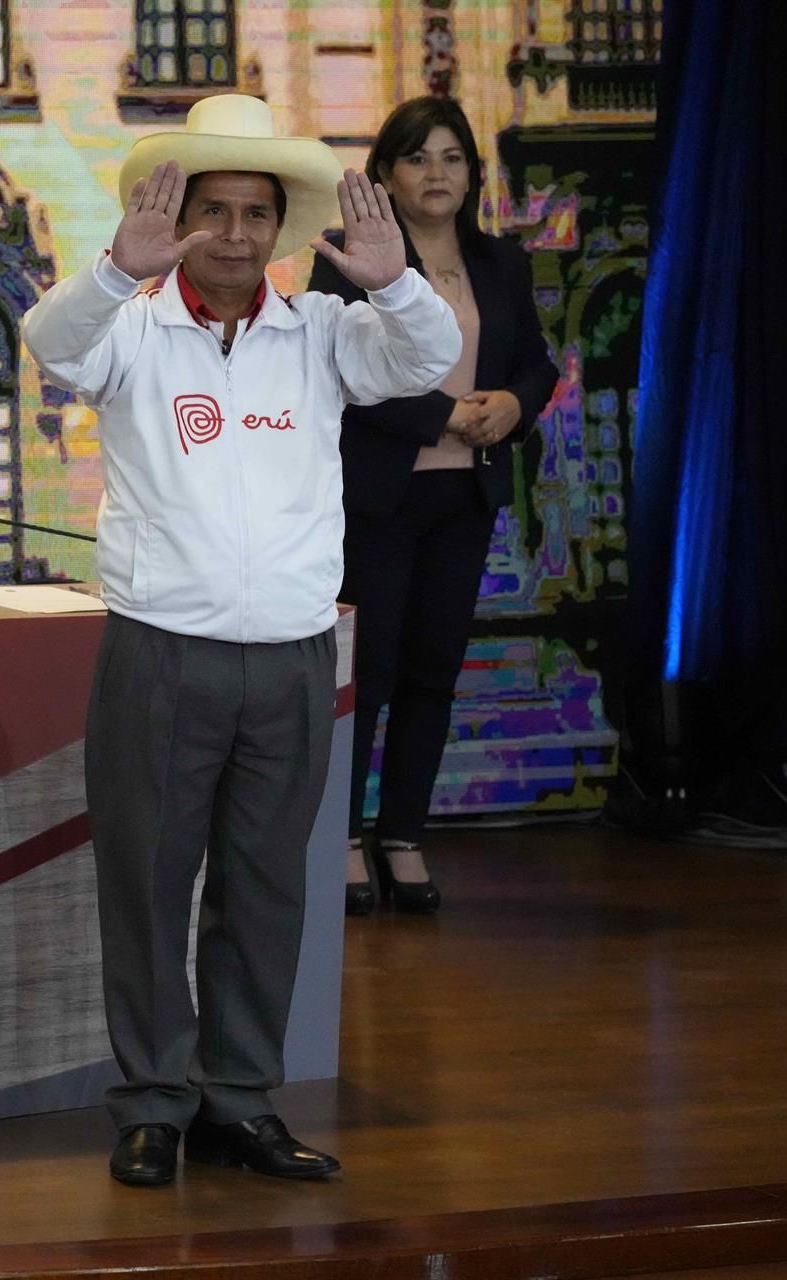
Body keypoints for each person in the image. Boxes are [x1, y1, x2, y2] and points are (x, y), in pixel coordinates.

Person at [21, 94, 461, 1188]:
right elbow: (49, 342)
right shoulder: (130, 324)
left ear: (279, 226)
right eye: (208, 209)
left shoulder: (321, 331)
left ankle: (239, 1097)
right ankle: (155, 1102)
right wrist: (119, 268)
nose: (230, 231)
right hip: (162, 651)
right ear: (174, 220)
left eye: (252, 212)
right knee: (151, 885)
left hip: (295, 658)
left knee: (268, 887)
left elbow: (429, 359)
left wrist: (392, 276)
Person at [307, 97, 558, 916]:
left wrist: (515, 407)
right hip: (381, 494)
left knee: (433, 673)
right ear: (384, 174)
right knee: (368, 676)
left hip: (466, 491)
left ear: (473, 174)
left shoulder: (503, 262)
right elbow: (336, 372)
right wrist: (441, 414)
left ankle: (403, 836)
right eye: (419, 158)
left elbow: (537, 364)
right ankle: (342, 838)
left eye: (453, 158)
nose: (438, 174)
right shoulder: (349, 257)